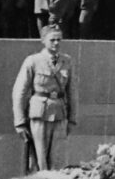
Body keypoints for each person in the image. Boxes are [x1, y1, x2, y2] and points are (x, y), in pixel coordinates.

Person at [11, 25, 77, 171]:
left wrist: (72, 119)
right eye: (52, 40)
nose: (56, 43)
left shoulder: (67, 61)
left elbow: (72, 91)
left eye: (59, 40)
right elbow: (19, 92)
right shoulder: (33, 61)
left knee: (57, 160)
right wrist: (20, 122)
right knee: (38, 160)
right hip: (39, 114)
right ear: (43, 40)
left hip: (60, 114)